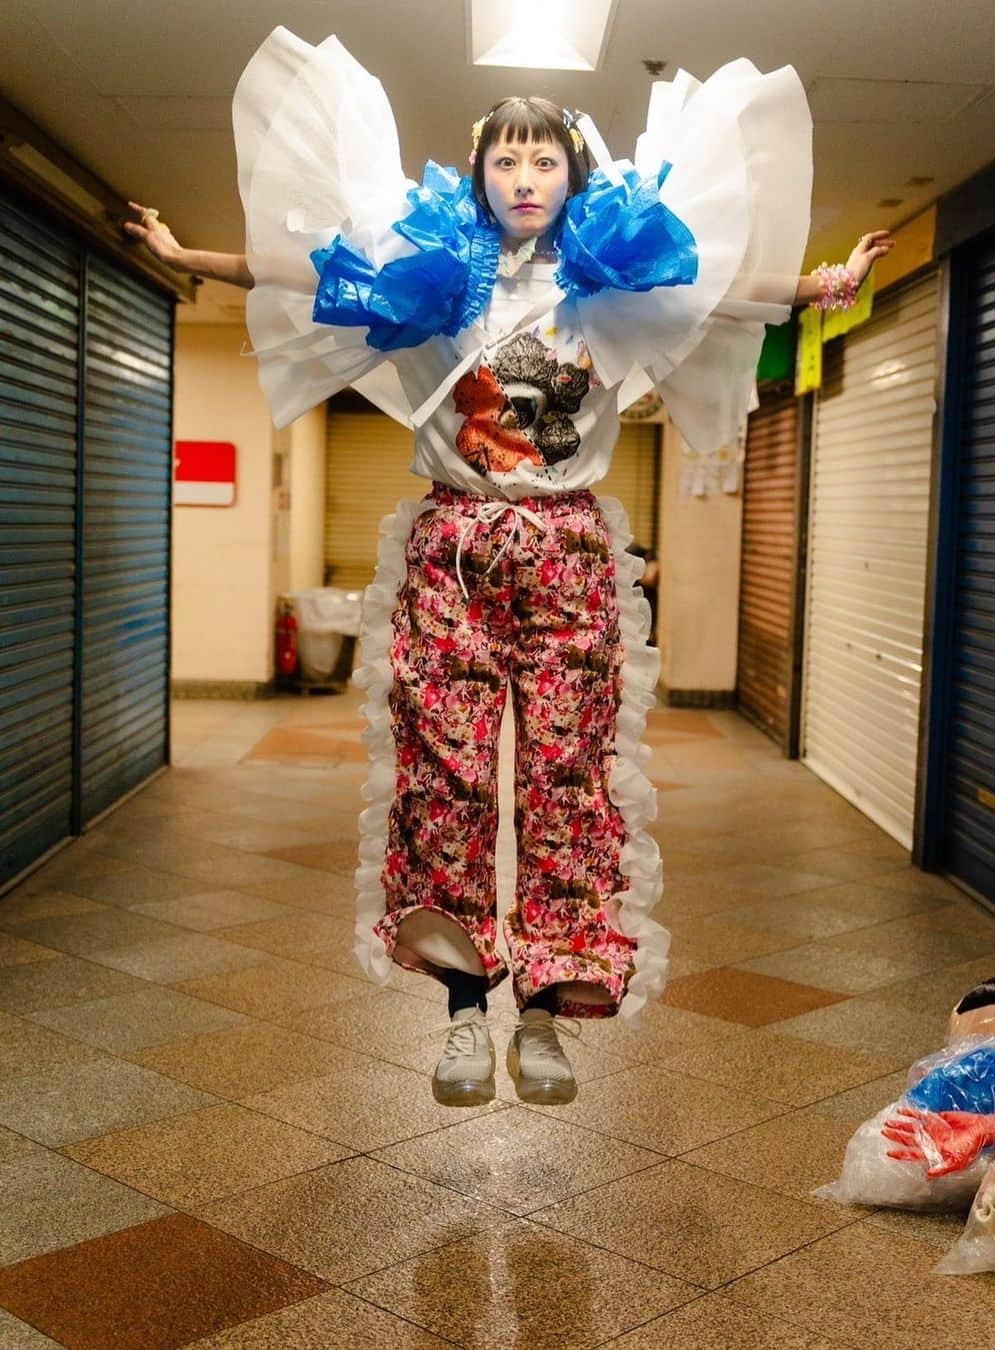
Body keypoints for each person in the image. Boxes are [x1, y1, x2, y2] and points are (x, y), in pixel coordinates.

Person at [126, 26, 893, 1108]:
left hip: (571, 550)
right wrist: (187, 259)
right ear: (479, 175)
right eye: (506, 159)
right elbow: (311, 273)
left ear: (572, 176)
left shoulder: (610, 279)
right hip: (455, 549)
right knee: (445, 781)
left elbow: (722, 288)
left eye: (545, 160)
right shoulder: (437, 276)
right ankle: (459, 1013)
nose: (525, 177)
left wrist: (820, 286)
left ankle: (545, 1016)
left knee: (566, 782)